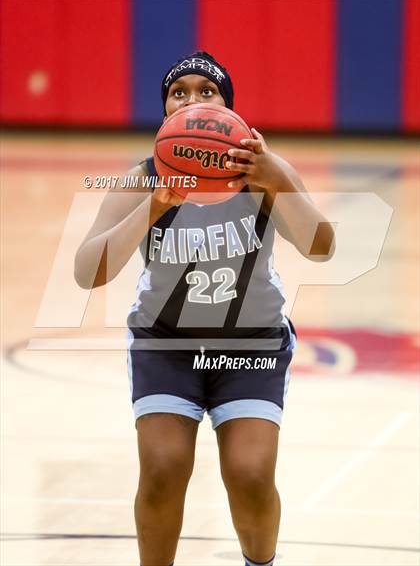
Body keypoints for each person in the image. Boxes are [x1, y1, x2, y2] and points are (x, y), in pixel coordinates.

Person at [74, 51, 335, 566]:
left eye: (207, 91)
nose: (193, 99)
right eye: (179, 92)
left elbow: (321, 245)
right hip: (166, 342)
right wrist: (153, 207)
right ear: (165, 113)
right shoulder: (143, 180)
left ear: (229, 111)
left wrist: (278, 178)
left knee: (251, 475)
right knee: (163, 468)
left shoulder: (262, 173)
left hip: (250, 342)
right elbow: (88, 271)